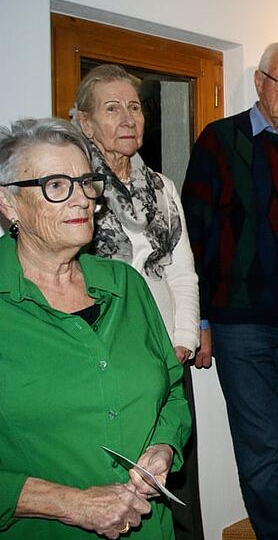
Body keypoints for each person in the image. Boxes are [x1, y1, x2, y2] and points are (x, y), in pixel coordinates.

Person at [0, 118, 190, 539]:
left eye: (86, 182)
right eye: (55, 185)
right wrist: (67, 503)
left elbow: (172, 392)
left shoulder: (126, 284)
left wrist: (164, 447)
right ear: (8, 202)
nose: (82, 199)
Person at [182, 42, 278, 540]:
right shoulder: (218, 141)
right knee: (262, 453)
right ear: (259, 81)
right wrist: (199, 321)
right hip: (240, 327)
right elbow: (193, 234)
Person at [73, 64, 205, 540]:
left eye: (134, 107)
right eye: (112, 108)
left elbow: (181, 270)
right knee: (115, 479)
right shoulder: (76, 189)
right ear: (85, 123)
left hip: (167, 350)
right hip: (106, 354)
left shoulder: (162, 188)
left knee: (174, 472)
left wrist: (184, 338)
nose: (129, 118)